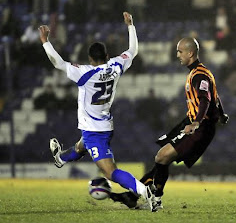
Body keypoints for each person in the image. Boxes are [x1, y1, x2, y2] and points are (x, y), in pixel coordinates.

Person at [38, 12, 157, 212]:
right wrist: (130, 26)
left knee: (111, 172)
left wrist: (45, 42)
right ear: (107, 56)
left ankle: (146, 193)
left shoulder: (85, 73)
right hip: (103, 124)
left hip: (95, 131)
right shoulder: (116, 65)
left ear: (90, 59)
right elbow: (133, 50)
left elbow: (57, 62)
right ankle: (61, 158)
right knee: (80, 147)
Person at [110, 37, 229, 209]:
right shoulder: (201, 72)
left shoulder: (199, 75)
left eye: (180, 51)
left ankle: (154, 200)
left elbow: (205, 99)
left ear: (190, 53)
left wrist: (196, 123)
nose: (177, 55)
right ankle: (133, 196)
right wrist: (222, 114)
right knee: (161, 159)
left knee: (162, 156)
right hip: (190, 122)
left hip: (199, 126)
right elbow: (215, 97)